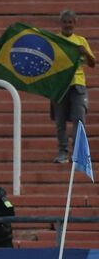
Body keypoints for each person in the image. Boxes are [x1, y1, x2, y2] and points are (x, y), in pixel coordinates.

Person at [51, 10, 95, 163]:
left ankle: (78, 152)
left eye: (70, 22)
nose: (68, 25)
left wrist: (86, 53)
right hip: (59, 86)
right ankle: (63, 152)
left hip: (78, 85)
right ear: (60, 23)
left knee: (79, 119)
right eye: (65, 22)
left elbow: (92, 64)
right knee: (60, 121)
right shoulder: (55, 40)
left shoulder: (81, 41)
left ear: (75, 24)